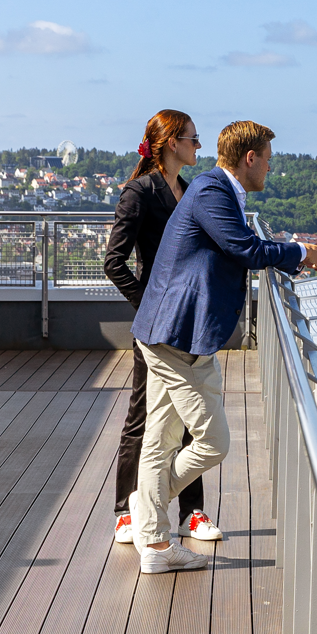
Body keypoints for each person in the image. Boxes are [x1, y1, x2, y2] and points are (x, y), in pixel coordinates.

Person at [128, 120, 317, 573]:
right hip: (175, 337)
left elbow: (241, 247)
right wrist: (301, 252)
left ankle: (155, 542)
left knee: (160, 440)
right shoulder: (210, 192)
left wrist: (298, 255)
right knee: (214, 442)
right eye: (267, 159)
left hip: (175, 334)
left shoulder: (216, 192)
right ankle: (148, 511)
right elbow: (244, 248)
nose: (269, 168)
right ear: (250, 158)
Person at [102, 109, 222, 547]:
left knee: (190, 420)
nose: (198, 146)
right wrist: (147, 307)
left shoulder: (187, 192)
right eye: (193, 139)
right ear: (172, 142)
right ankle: (125, 512)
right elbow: (113, 263)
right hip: (156, 324)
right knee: (140, 416)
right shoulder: (140, 193)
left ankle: (191, 513)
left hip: (186, 321)